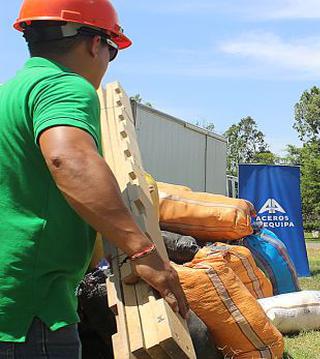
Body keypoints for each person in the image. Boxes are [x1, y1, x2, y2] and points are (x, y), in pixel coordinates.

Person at [0, 1, 188, 357]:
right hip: (32, 307)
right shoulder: (64, 86)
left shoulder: (7, 94)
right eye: (113, 50)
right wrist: (143, 251)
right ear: (94, 44)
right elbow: (67, 159)